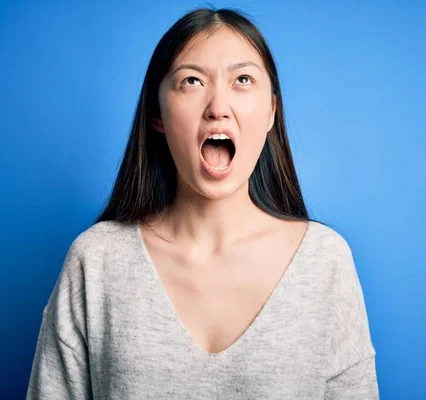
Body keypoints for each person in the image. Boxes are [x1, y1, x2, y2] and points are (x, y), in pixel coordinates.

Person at [26, 7, 379, 399]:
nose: (218, 107)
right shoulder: (96, 262)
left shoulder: (324, 261)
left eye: (242, 80)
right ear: (157, 113)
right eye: (191, 81)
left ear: (271, 113)